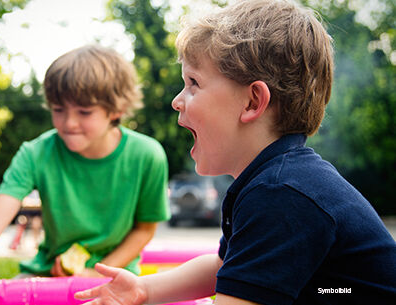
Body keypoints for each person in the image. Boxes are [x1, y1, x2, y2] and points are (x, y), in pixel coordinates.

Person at [75, 1, 396, 304]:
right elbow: (224, 267)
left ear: (253, 102)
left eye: (193, 83)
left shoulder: (282, 194)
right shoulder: (275, 180)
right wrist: (144, 289)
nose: (177, 100)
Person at [0, 45, 170, 305]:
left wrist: (95, 273)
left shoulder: (147, 155)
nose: (69, 123)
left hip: (117, 279)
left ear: (116, 110)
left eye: (84, 112)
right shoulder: (36, 153)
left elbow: (144, 229)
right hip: (46, 275)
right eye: (58, 109)